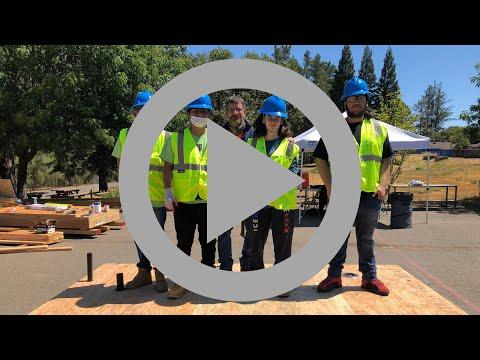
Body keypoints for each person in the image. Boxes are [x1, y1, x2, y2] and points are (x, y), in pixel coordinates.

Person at [315, 76, 393, 296]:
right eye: (351, 99)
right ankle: (334, 276)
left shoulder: (378, 129)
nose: (356, 102)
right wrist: (329, 186)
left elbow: (386, 158)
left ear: (366, 100)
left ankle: (369, 277)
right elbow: (320, 158)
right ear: (345, 102)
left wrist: (383, 184)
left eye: (360, 98)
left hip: (369, 194)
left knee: (366, 239)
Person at [112, 90, 169, 292]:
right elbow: (120, 167)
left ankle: (160, 272)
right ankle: (144, 272)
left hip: (156, 196)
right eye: (139, 110)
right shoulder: (124, 135)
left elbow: (169, 168)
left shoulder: (165, 137)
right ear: (134, 113)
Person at [247, 95, 301, 298]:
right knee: (255, 244)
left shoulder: (290, 146)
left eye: (276, 118)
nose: (272, 121)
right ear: (262, 118)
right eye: (269, 117)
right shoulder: (251, 142)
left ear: (282, 121)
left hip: (283, 204)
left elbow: (294, 174)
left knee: (283, 245)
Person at [161, 94, 214, 299]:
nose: (200, 115)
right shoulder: (175, 138)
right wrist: (168, 192)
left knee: (209, 243)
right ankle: (181, 282)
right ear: (188, 113)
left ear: (209, 114)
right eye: (196, 111)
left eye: (204, 111)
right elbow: (167, 168)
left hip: (210, 200)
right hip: (183, 200)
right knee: (183, 243)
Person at [216, 95, 255, 272]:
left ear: (244, 111)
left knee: (252, 232)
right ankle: (226, 265)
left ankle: (246, 262)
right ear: (225, 113)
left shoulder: (255, 132)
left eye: (238, 109)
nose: (235, 113)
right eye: (231, 110)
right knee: (223, 233)